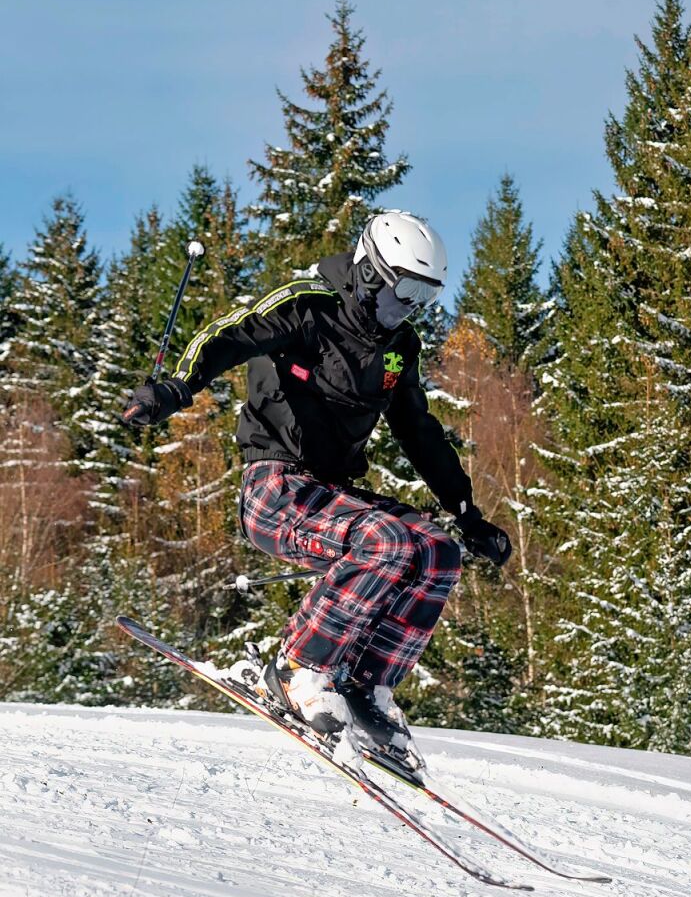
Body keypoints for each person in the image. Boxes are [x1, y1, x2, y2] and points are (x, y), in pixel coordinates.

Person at [124, 211, 510, 754]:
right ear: (370, 272)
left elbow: (417, 429)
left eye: (424, 297)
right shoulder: (309, 304)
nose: (408, 309)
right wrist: (172, 390)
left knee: (437, 553)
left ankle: (365, 687)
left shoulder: (399, 347)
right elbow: (229, 334)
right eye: (403, 292)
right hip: (274, 487)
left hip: (331, 495)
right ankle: (296, 667)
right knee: (386, 543)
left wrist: (465, 511)